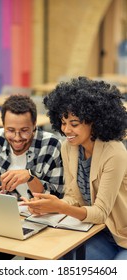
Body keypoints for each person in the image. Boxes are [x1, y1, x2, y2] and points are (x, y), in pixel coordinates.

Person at [22, 76, 127, 260]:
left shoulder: (114, 152)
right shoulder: (68, 147)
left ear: (94, 121)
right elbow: (74, 197)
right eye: (63, 123)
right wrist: (50, 206)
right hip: (97, 231)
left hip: (123, 235)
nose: (66, 130)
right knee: (62, 258)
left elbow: (101, 212)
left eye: (74, 124)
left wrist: (61, 208)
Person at [0, 94, 64, 260]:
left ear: (34, 125)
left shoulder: (51, 144)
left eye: (24, 131)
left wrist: (30, 177)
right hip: (6, 220)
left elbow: (56, 196)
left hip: (42, 222)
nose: (17, 138)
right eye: (11, 130)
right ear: (3, 125)